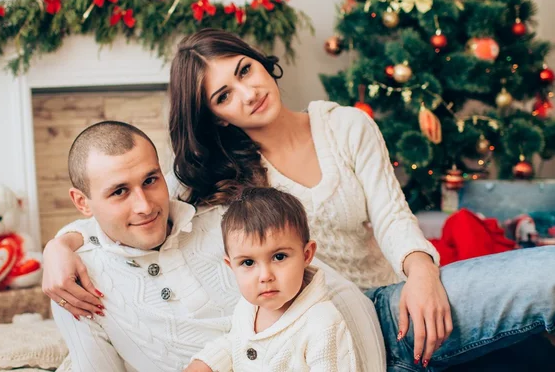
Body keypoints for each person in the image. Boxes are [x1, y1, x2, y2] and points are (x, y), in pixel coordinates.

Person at [46, 29, 555, 371]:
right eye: (222, 96)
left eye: (244, 70)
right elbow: (139, 212)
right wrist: (60, 245)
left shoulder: (345, 126)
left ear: (260, 62)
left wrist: (422, 276)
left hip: (392, 304)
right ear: (216, 116)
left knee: (543, 278)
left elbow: (394, 217)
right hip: (313, 340)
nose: (246, 93)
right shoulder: (216, 179)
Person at [46, 120, 385, 372]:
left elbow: (338, 296)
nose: (145, 206)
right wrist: (59, 246)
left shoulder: (222, 222)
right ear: (82, 203)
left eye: (151, 181)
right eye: (119, 191)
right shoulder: (74, 279)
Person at [186, 187, 358, 371]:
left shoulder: (322, 324)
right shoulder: (248, 307)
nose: (265, 276)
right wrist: (206, 363)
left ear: (306, 255)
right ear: (231, 266)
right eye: (248, 262)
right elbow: (235, 343)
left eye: (279, 257)